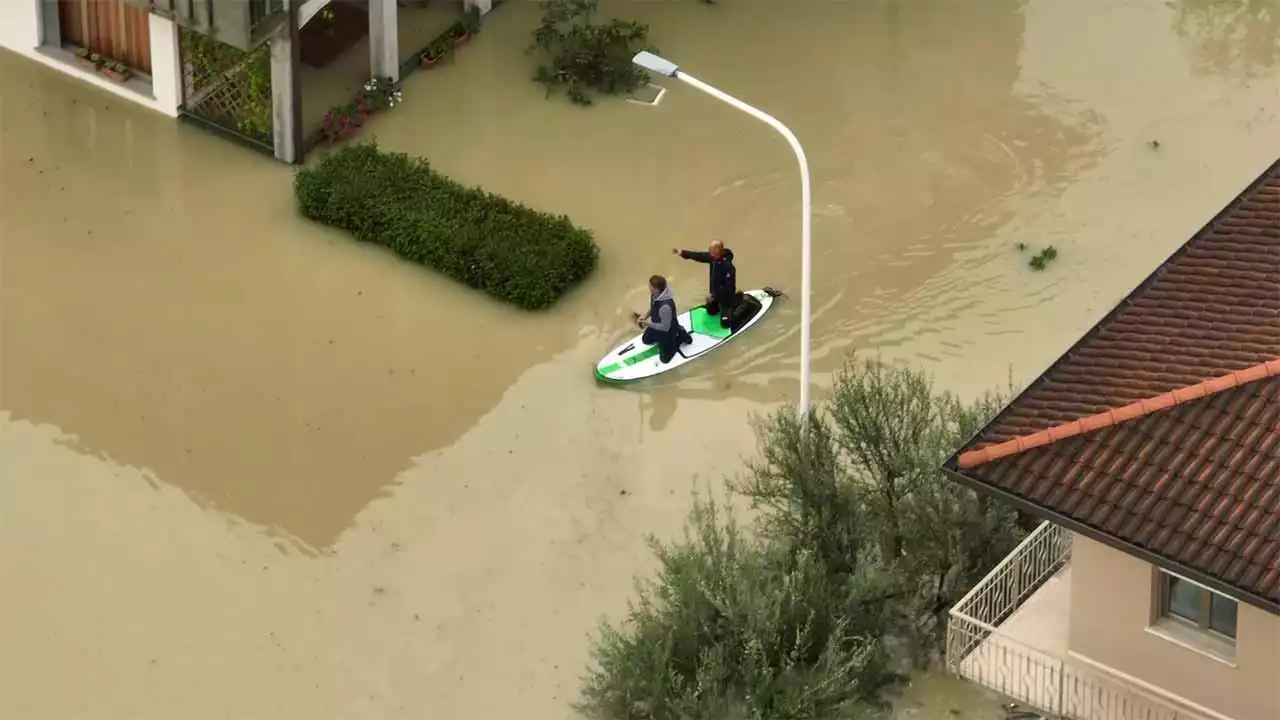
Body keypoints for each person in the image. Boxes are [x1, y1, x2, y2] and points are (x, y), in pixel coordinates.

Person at [673, 240, 737, 328]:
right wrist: (683, 253)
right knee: (711, 312)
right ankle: (719, 306)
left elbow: (729, 288)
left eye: (711, 251)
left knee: (725, 324)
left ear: (717, 252)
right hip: (715, 293)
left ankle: (737, 306)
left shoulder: (728, 266)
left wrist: (717, 296)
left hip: (725, 298)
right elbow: (700, 256)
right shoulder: (713, 258)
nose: (709, 253)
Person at [636, 274, 692, 363]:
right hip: (656, 324)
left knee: (664, 359)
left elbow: (664, 327)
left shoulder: (665, 307)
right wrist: (645, 316)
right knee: (646, 340)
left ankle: (679, 336)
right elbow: (654, 307)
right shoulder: (655, 295)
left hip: (667, 331)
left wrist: (647, 323)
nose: (648, 287)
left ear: (657, 289)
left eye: (650, 286)